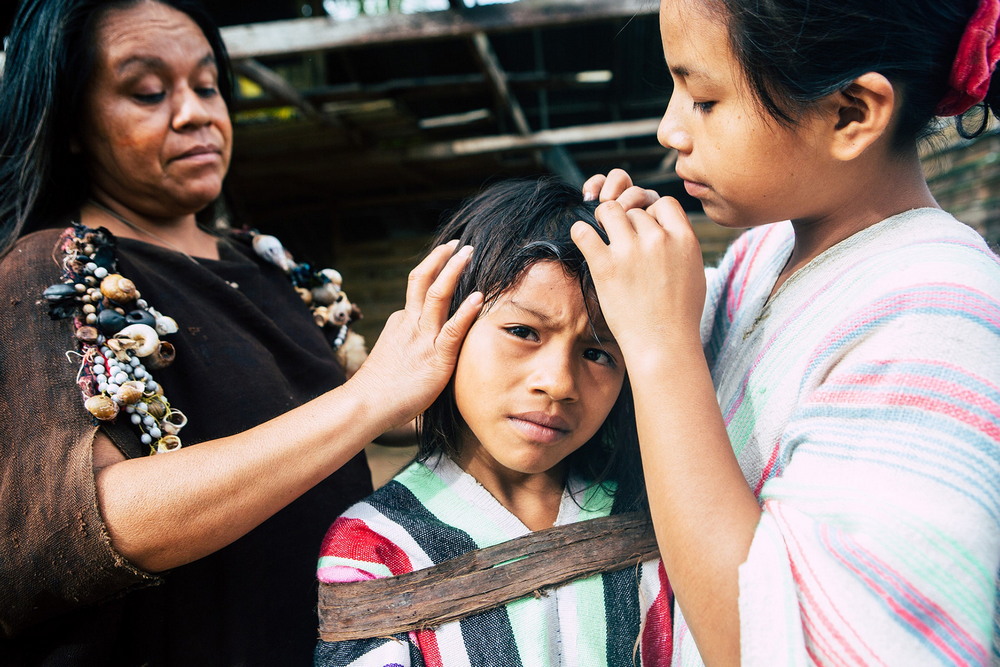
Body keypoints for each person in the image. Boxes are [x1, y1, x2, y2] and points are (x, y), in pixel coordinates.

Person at [0, 0, 483, 663]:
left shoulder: (263, 262)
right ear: (73, 124)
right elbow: (98, 518)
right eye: (147, 92)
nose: (196, 111)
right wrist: (370, 397)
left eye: (206, 85)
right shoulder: (53, 271)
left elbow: (363, 411)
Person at [574, 0, 1000, 664]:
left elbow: (797, 640)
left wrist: (662, 346)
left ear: (850, 112)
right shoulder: (760, 256)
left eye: (705, 98)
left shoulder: (942, 324)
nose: (669, 129)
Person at [313, 178, 672, 666]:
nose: (558, 382)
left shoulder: (658, 511)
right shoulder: (377, 544)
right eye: (523, 331)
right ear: (445, 328)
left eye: (596, 352)